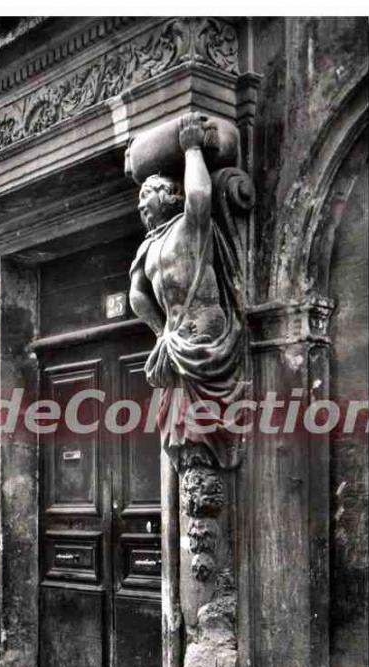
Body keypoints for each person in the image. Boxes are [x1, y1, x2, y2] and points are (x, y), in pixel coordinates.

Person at [129, 112, 243, 469]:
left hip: (201, 328)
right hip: (174, 335)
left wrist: (192, 147)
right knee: (178, 429)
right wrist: (159, 330)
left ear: (169, 195)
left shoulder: (190, 226)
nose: (140, 204)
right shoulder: (148, 246)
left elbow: (199, 194)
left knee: (198, 427)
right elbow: (136, 293)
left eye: (147, 195)